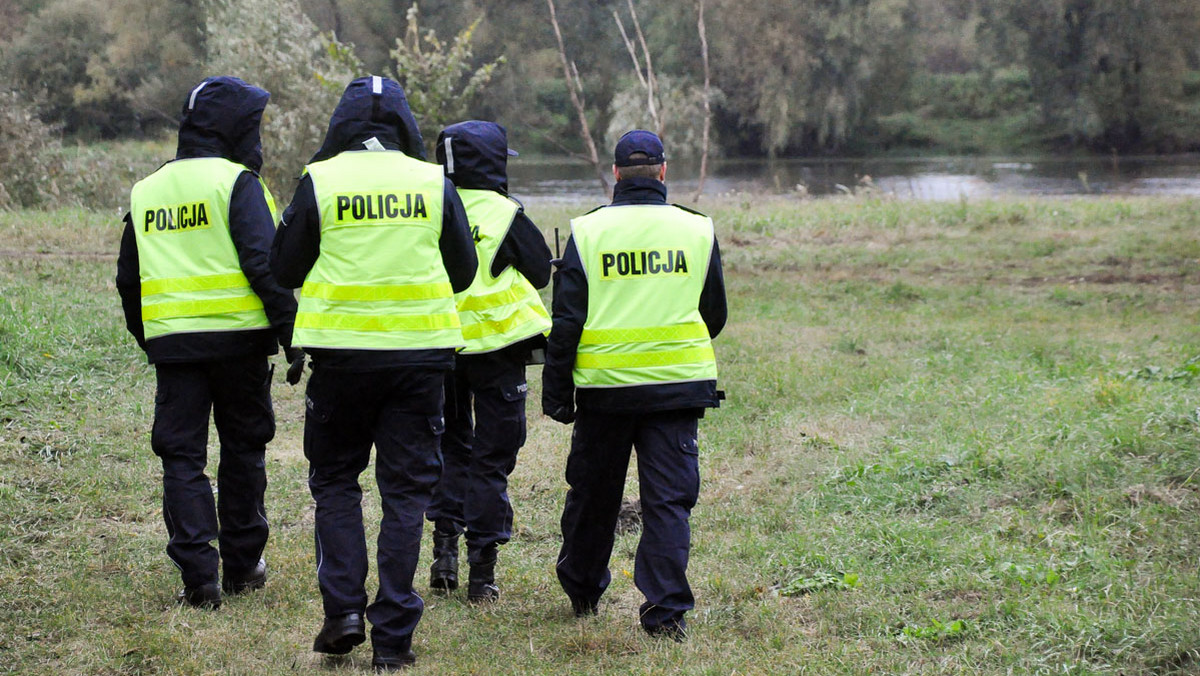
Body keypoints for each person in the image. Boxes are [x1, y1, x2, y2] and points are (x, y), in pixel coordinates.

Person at [270, 75, 477, 671]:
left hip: (339, 359)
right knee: (406, 492)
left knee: (335, 482)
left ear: (340, 123)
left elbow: (284, 267)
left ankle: (342, 613)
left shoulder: (322, 180)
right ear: (407, 126)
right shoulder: (432, 181)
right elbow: (462, 272)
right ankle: (394, 638)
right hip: (420, 361)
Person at [115, 76, 298, 610]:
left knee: (182, 458)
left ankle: (199, 580)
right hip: (240, 346)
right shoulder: (237, 183)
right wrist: (293, 336)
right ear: (237, 129)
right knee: (243, 449)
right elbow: (266, 268)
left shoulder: (147, 190)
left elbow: (130, 280)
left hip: (175, 350)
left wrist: (150, 339)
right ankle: (242, 568)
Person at [542, 129, 727, 640]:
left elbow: (566, 321)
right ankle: (666, 613)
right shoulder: (697, 229)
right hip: (677, 388)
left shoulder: (588, 231)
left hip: (605, 391)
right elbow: (714, 313)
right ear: (664, 172)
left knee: (594, 495)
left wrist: (557, 392)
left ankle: (582, 591)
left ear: (616, 175)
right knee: (667, 501)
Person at [425, 120, 552, 602]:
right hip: (499, 353)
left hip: (440, 349)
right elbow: (540, 270)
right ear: (493, 163)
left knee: (449, 449)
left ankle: (443, 553)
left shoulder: (432, 204)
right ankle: (482, 573)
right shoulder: (506, 212)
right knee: (491, 460)